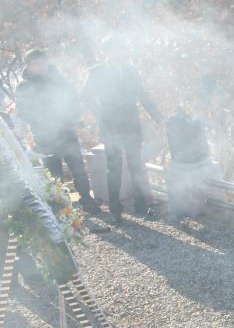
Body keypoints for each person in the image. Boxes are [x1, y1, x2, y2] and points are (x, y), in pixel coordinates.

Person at [81, 36, 163, 223]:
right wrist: (100, 114)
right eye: (115, 51)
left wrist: (158, 117)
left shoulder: (131, 70)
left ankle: (142, 206)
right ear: (107, 53)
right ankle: (115, 207)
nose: (119, 54)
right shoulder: (96, 72)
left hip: (132, 125)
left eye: (122, 50)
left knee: (136, 166)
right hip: (110, 128)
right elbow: (84, 97)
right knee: (114, 169)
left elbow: (143, 96)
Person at [14, 49, 100, 213]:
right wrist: (43, 119)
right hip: (44, 137)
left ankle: (87, 200)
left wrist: (78, 122)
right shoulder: (24, 87)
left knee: (78, 169)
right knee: (54, 175)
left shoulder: (60, 81)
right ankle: (61, 208)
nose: (42, 67)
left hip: (67, 133)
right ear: (29, 66)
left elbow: (73, 102)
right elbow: (23, 112)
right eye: (37, 64)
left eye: (44, 63)